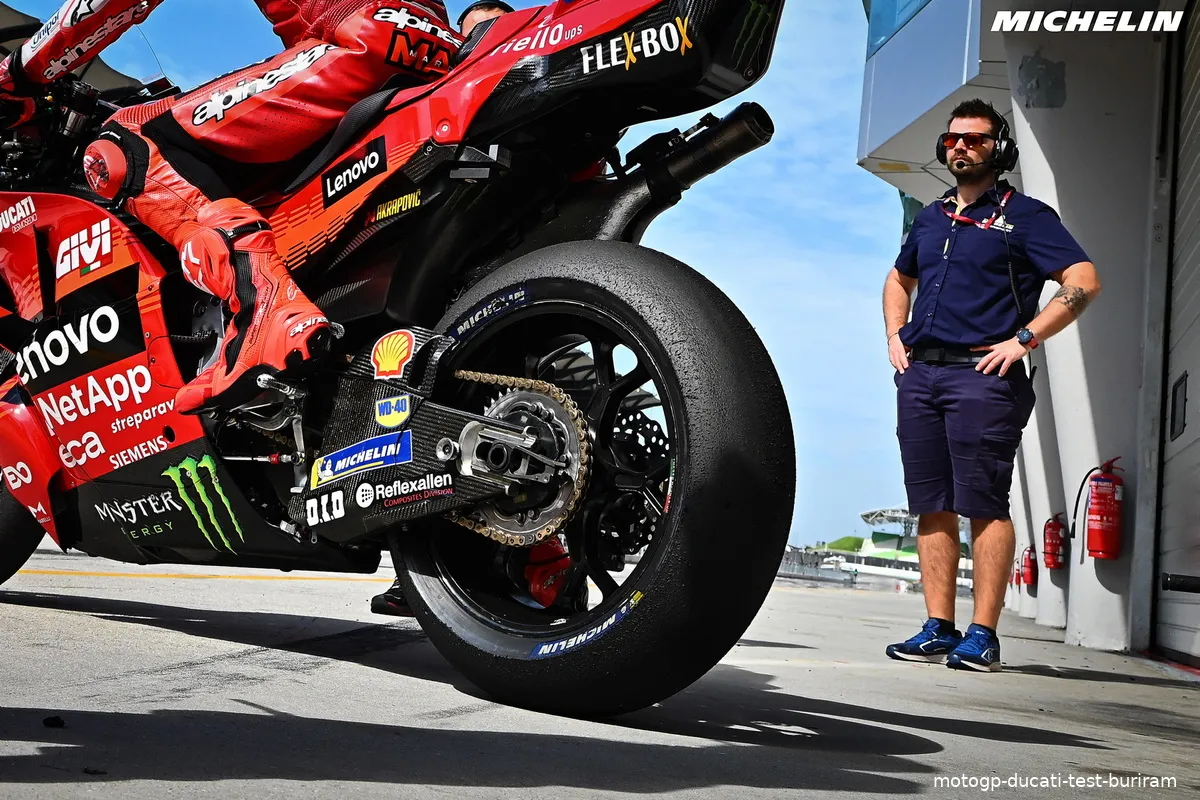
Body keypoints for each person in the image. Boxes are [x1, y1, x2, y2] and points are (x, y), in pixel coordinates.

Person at [0, 0, 471, 412]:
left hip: (359, 40)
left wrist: (18, 73)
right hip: (429, 48)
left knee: (128, 144)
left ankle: (262, 306)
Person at [881, 98, 1101, 672]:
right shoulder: (931, 218)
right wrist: (893, 336)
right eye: (954, 139)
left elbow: (1083, 279)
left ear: (998, 149)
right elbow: (899, 277)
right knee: (931, 504)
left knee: (982, 503)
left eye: (975, 140)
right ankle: (937, 627)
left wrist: (1025, 339)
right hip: (921, 374)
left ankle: (983, 635)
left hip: (983, 376)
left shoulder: (1026, 217)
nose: (962, 147)